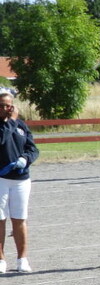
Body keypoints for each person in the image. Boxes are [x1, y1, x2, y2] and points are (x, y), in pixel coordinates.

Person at [0, 90, 38, 274]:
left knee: (20, 218)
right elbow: (2, 140)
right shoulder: (9, 125)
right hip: (1, 179)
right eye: (2, 106)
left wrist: (26, 158)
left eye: (9, 105)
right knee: (0, 219)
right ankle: (1, 259)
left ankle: (22, 258)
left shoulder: (21, 125)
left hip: (21, 180)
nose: (7, 109)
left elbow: (33, 148)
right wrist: (12, 121)